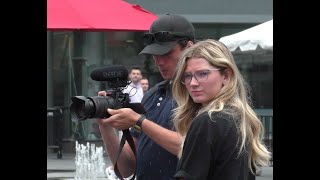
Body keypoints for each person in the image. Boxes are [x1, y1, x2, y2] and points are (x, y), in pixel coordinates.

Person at [96, 14, 196, 180]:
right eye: (155, 54)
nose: (159, 61)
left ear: (189, 48)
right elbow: (127, 168)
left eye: (166, 53)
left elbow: (192, 148)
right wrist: (105, 126)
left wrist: (138, 121)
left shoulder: (200, 94)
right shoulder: (152, 95)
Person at [171, 39, 271, 180]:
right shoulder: (239, 118)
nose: (192, 83)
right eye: (188, 76)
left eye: (202, 74)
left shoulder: (208, 121)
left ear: (226, 75)